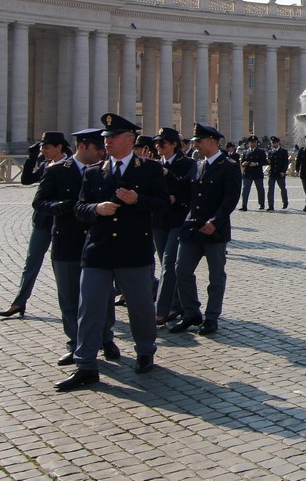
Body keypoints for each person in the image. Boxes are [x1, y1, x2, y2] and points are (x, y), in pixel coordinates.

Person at [56, 113, 168, 391]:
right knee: (90, 309)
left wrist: (138, 199)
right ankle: (86, 365)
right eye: (105, 138)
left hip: (133, 251)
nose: (106, 142)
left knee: (140, 307)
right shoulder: (94, 171)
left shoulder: (150, 169)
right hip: (98, 252)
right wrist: (96, 209)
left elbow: (164, 204)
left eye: (113, 137)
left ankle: (145, 351)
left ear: (129, 140)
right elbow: (80, 207)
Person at [40, 129, 115, 366]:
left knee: (103, 297)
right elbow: (39, 202)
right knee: (70, 298)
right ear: (83, 146)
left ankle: (106, 339)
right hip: (67, 242)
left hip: (96, 243)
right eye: (97, 149)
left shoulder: (105, 172)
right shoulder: (56, 172)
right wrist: (58, 206)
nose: (101, 154)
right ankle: (75, 344)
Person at [167, 123, 241, 336]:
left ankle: (211, 317)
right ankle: (191, 312)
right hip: (192, 228)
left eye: (198, 141)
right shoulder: (196, 165)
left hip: (214, 230)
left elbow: (230, 199)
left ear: (211, 141)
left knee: (216, 276)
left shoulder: (229, 165)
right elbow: (187, 190)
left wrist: (215, 222)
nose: (195, 145)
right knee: (181, 270)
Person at [0, 132, 71, 318]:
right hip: (42, 221)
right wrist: (31, 158)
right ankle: (19, 302)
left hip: (63, 222)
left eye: (46, 147)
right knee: (31, 263)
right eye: (42, 148)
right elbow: (27, 180)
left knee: (61, 267)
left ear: (59, 147)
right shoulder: (46, 165)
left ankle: (70, 306)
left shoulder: (71, 166)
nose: (43, 151)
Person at [152, 127, 196, 327]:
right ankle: (178, 304)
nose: (159, 146)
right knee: (165, 265)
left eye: (164, 143)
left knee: (169, 264)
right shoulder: (153, 165)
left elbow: (189, 190)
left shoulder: (188, 164)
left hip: (178, 219)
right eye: (157, 143)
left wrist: (174, 194)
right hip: (159, 220)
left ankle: (160, 311)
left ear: (174, 145)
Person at [238, 136, 266, 211]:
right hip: (247, 173)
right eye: (251, 142)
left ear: (256, 143)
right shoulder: (246, 152)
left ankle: (262, 204)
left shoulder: (261, 151)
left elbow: (264, 161)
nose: (253, 144)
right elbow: (242, 162)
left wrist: (256, 163)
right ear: (249, 143)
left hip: (257, 173)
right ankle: (244, 205)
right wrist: (244, 163)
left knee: (260, 189)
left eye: (254, 142)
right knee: (245, 189)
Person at [265, 136, 290, 210]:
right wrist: (268, 161)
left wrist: (283, 171)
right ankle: (270, 206)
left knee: (283, 188)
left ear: (278, 143)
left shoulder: (283, 151)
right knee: (270, 190)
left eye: (275, 143)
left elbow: (286, 162)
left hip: (280, 173)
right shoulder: (270, 151)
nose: (273, 144)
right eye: (272, 143)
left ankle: (285, 201)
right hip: (272, 173)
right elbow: (269, 161)